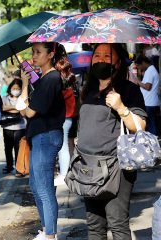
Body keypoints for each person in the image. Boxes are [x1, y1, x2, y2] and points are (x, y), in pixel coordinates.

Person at [78, 43, 146, 240]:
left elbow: (139, 125)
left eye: (107, 55)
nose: (100, 59)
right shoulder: (87, 89)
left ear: (118, 61)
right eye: (97, 54)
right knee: (94, 226)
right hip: (88, 168)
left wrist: (121, 107)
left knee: (117, 224)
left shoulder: (128, 90)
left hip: (116, 169)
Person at [17, 42, 67, 240]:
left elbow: (28, 111)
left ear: (51, 54)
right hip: (39, 137)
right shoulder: (43, 80)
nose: (34, 56)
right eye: (33, 52)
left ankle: (50, 235)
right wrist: (25, 83)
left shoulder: (52, 78)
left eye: (39, 52)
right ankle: (47, 229)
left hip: (46, 136)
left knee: (44, 188)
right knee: (36, 186)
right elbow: (24, 109)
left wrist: (23, 85)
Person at [55, 55, 77, 187]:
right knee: (65, 146)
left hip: (65, 118)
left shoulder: (64, 87)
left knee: (63, 147)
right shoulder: (70, 84)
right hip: (69, 118)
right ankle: (65, 172)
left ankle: (64, 174)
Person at [0, 78, 26, 176]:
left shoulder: (22, 98)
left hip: (20, 127)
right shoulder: (4, 98)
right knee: (8, 147)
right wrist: (17, 108)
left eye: (18, 88)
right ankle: (9, 165)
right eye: (14, 88)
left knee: (18, 147)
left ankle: (19, 168)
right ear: (10, 88)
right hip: (7, 126)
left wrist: (10, 108)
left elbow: (23, 111)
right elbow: (3, 108)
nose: (15, 90)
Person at [134, 55, 160, 135]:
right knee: (153, 124)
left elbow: (148, 86)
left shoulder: (150, 71)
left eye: (138, 66)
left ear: (143, 63)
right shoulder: (151, 70)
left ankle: (153, 142)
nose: (138, 68)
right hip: (152, 102)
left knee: (150, 126)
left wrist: (138, 82)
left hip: (149, 103)